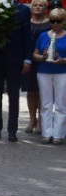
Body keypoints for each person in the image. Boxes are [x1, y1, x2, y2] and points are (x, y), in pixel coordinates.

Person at [0, 0, 32, 142]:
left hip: (15, 59)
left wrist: (27, 59)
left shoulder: (23, 10)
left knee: (13, 95)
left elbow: (26, 35)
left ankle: (12, 130)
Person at [32, 8, 66, 144]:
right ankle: (46, 133)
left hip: (62, 72)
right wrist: (42, 57)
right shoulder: (43, 35)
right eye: (52, 21)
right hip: (44, 71)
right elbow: (34, 54)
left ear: (63, 22)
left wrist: (63, 60)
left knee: (61, 104)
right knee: (45, 104)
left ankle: (58, 134)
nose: (55, 24)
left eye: (58, 21)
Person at [24, 0, 51, 134]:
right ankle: (31, 119)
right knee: (31, 91)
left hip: (44, 61)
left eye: (41, 5)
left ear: (46, 8)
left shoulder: (50, 24)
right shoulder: (26, 23)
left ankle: (41, 120)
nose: (38, 7)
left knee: (42, 91)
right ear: (32, 7)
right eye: (35, 5)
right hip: (28, 61)